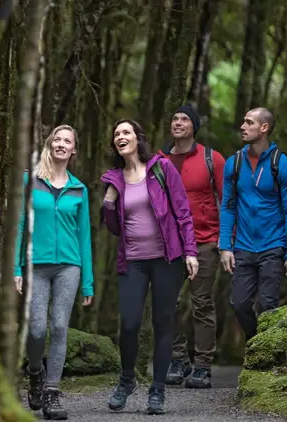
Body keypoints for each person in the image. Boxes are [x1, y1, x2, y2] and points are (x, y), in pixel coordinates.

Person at [100, 118, 199, 415]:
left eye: (126, 132)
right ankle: (126, 380)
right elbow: (115, 228)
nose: (121, 136)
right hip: (133, 260)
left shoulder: (161, 168)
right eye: (116, 133)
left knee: (162, 323)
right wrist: (108, 203)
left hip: (167, 259)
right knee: (129, 323)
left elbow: (183, 212)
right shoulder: (114, 178)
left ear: (137, 138)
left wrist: (191, 252)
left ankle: (157, 390)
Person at [14, 124, 94, 420]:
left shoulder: (79, 189)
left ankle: (52, 392)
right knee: (36, 329)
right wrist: (15, 267)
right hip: (36, 265)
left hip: (69, 267)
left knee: (59, 326)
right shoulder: (30, 181)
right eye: (57, 139)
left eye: (67, 141)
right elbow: (19, 226)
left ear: (73, 150)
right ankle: (35, 371)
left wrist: (88, 283)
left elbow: (84, 237)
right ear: (50, 144)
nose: (61, 144)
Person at [157, 105, 225, 389]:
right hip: (169, 244)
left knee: (202, 304)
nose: (178, 122)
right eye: (174, 118)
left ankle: (203, 366)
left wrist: (227, 241)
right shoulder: (159, 160)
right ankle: (177, 358)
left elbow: (228, 200)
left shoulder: (212, 159)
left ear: (194, 127)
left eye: (184, 119)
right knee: (166, 304)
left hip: (205, 241)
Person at [219, 107, 287, 342]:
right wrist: (225, 245)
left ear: (264, 128)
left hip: (273, 247)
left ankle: (265, 357)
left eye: (249, 123)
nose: (242, 127)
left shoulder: (282, 165)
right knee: (238, 303)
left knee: (268, 305)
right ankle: (257, 342)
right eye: (243, 122)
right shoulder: (233, 164)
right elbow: (227, 207)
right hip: (243, 246)